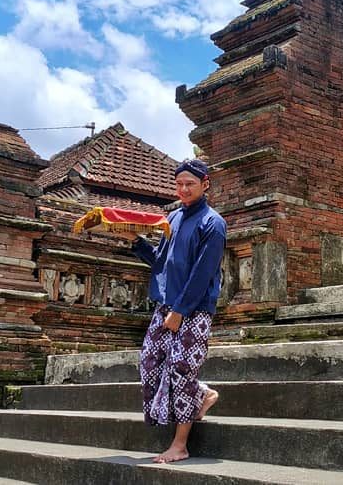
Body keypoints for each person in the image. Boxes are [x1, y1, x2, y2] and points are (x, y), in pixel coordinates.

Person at [119, 158, 227, 463]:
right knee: (149, 363)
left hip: (193, 310)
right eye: (179, 184)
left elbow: (203, 273)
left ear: (205, 184)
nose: (183, 189)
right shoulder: (173, 218)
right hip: (164, 306)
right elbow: (161, 263)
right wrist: (136, 242)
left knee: (180, 369)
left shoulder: (213, 224)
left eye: (189, 184)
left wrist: (180, 312)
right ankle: (202, 394)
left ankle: (180, 444)